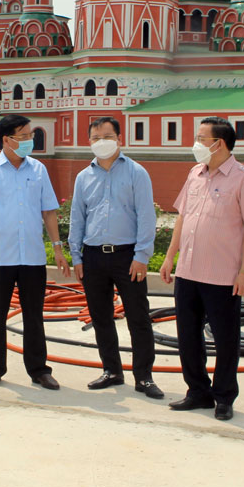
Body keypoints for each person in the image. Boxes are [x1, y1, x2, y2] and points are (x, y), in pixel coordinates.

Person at [160, 117, 244, 421]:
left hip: (222, 275)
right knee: (188, 335)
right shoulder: (195, 173)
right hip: (188, 271)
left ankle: (223, 396)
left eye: (202, 138)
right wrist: (169, 257)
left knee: (225, 338)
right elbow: (182, 217)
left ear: (219, 143)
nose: (196, 143)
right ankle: (197, 391)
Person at [0, 114, 69, 391]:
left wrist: (57, 248)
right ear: (6, 139)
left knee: (34, 315)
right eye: (23, 136)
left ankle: (39, 370)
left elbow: (48, 211)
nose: (29, 141)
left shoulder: (38, 170)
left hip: (32, 257)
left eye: (30, 135)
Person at [69, 117, 162, 399]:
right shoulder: (84, 177)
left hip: (127, 257)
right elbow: (78, 217)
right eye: (96, 137)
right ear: (89, 142)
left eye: (107, 136)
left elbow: (147, 216)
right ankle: (112, 370)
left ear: (119, 138)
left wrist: (142, 256)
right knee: (101, 316)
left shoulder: (136, 173)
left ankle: (144, 376)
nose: (101, 141)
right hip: (93, 256)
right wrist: (77, 256)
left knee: (138, 317)